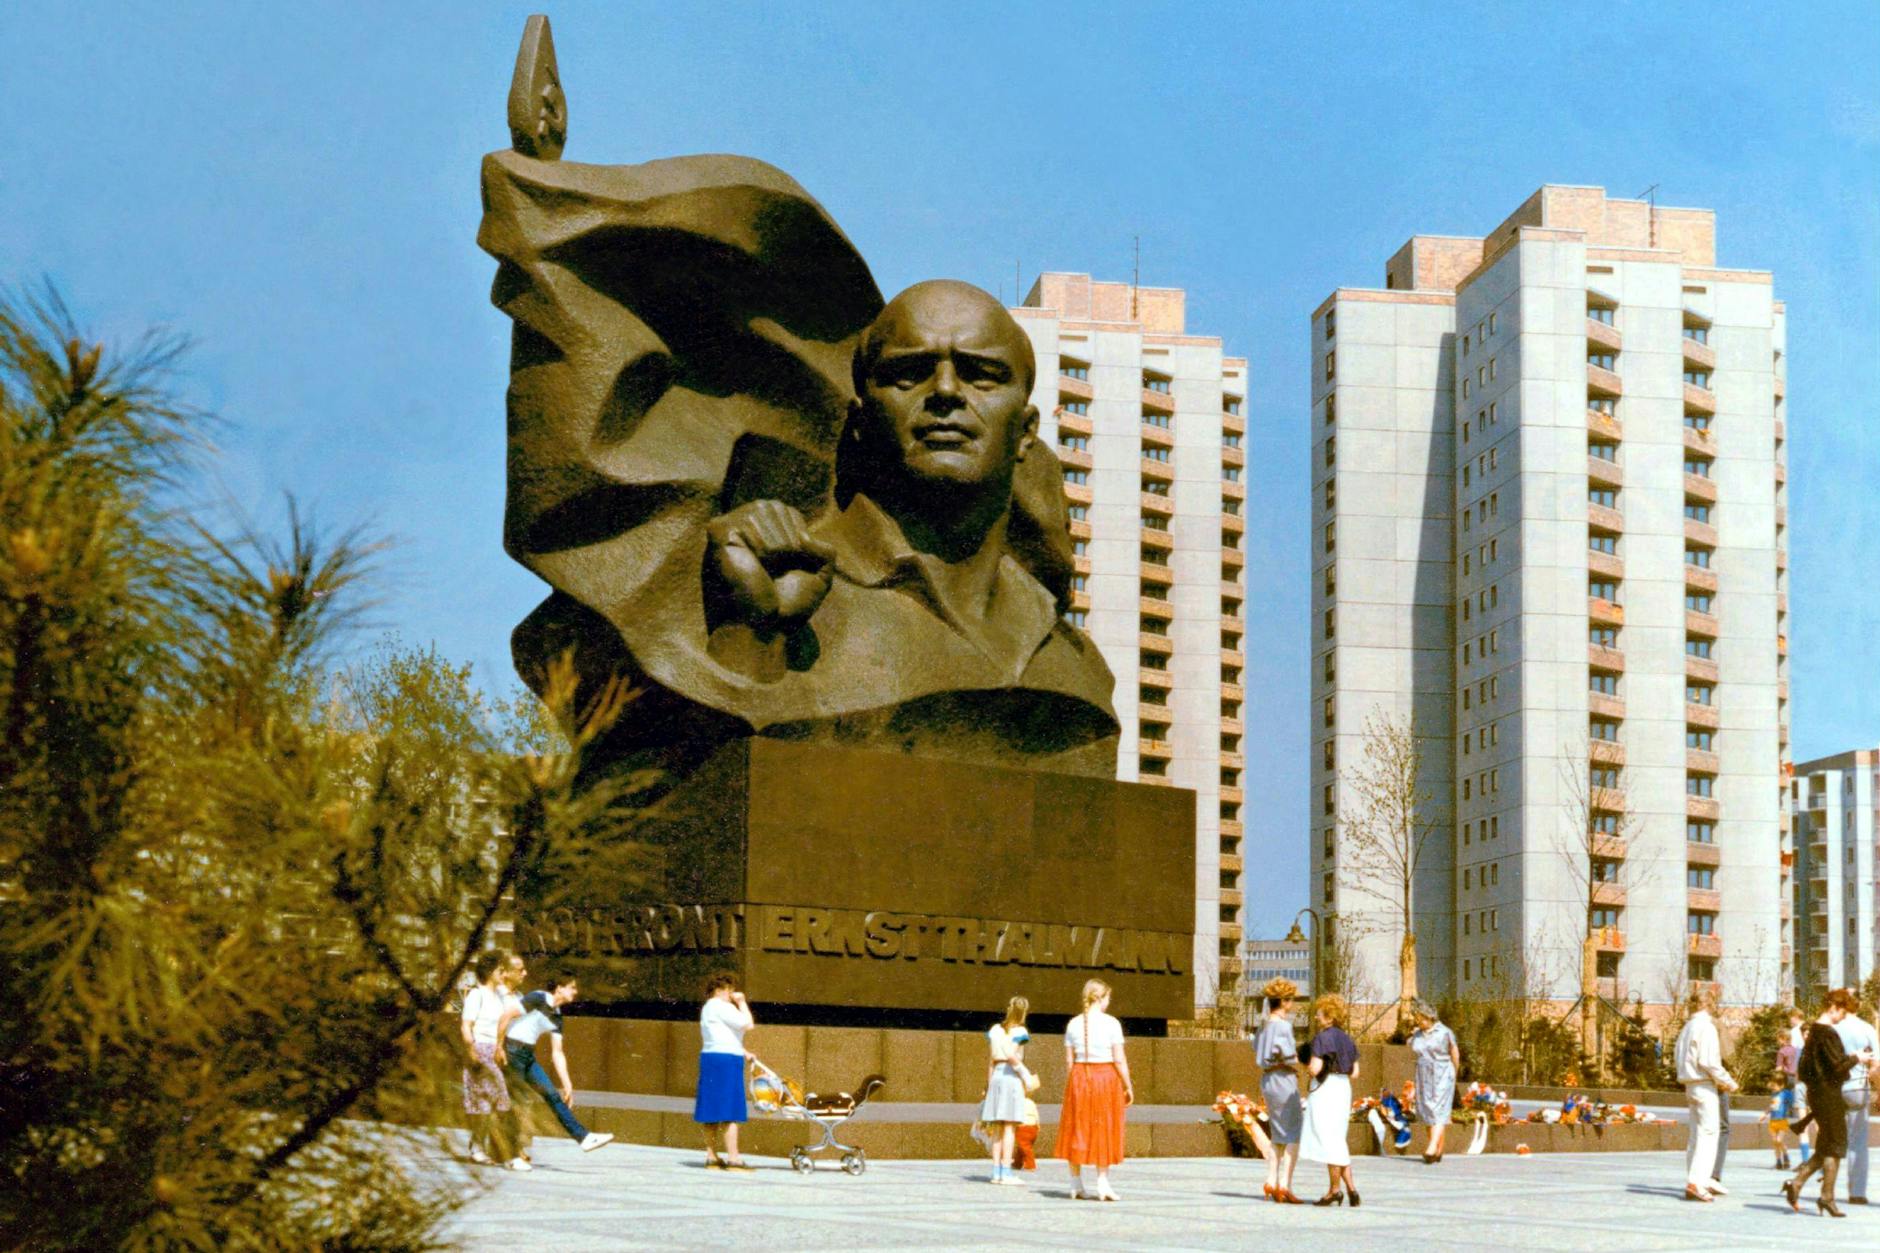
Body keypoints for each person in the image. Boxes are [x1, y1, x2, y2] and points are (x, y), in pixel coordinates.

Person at [498, 972, 615, 1155]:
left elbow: (557, 1053)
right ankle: (511, 1155)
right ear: (560, 988)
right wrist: (499, 1047)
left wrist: (567, 1083)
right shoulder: (538, 998)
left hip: (527, 1055)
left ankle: (583, 1138)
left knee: (552, 1095)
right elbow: (506, 1016)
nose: (575, 992)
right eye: (572, 987)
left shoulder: (557, 1017)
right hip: (512, 1051)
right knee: (516, 1103)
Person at [1784, 988, 1870, 1217]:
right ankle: (1826, 1197)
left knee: (1826, 1145)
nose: (1843, 1016)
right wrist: (1857, 1058)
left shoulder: (1813, 1032)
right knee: (1836, 1144)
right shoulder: (1828, 1033)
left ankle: (1798, 1183)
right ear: (1833, 1007)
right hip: (1829, 1094)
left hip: (1817, 1093)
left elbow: (1803, 1069)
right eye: (1842, 1011)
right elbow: (1837, 1067)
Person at [1057, 978, 1133, 1202]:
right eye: (1108, 997)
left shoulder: (1073, 1024)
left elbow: (1069, 1062)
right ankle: (1102, 1182)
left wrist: (1076, 1083)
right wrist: (1128, 1084)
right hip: (1106, 1077)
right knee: (1105, 1128)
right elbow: (1119, 1059)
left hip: (1079, 1077)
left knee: (1077, 1127)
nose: (1109, 1002)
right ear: (1099, 998)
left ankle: (1075, 1183)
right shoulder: (1111, 1024)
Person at [1673, 987, 1737, 1202]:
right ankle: (1697, 1182)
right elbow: (1709, 1062)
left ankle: (1694, 1178)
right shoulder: (1706, 1027)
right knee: (1709, 1134)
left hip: (1689, 1084)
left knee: (1695, 1135)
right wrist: (1729, 1082)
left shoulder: (1687, 1027)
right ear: (1709, 1005)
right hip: (1705, 1084)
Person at [1298, 993, 1362, 1207]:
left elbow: (1315, 1069)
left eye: (1319, 1013)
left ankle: (1335, 1190)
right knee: (1337, 1139)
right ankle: (1351, 1190)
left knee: (1329, 1141)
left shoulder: (1322, 1038)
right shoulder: (1348, 1039)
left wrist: (1307, 1067)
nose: (1316, 1017)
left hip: (1325, 1089)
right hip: (1343, 1088)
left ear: (1329, 1016)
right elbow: (1355, 1072)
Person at [459, 951, 520, 1169]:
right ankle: (486, 1149)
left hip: (494, 1051)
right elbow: (466, 1025)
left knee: (489, 1102)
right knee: (491, 1101)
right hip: (480, 1051)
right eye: (500, 970)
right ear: (490, 971)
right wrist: (471, 1048)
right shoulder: (477, 995)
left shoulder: (499, 995)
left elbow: (514, 1011)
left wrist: (499, 1047)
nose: (503, 974)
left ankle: (478, 1146)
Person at [695, 973, 756, 1171]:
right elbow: (748, 1024)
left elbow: (720, 1035)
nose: (732, 995)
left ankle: (711, 1156)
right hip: (727, 1061)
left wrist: (744, 1051)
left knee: (711, 1110)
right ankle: (734, 1158)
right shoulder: (722, 1006)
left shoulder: (708, 1008)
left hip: (711, 1057)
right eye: (730, 991)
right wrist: (742, 1003)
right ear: (721, 990)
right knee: (731, 1109)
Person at [1251, 977, 1304, 1203]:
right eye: (1290, 999)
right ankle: (1285, 1184)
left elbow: (1257, 1050)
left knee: (1277, 1133)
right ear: (1282, 1001)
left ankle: (1270, 1181)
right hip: (1284, 1079)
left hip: (1268, 1081)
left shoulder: (1263, 1026)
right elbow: (1290, 1056)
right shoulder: (1283, 1026)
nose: (1292, 1003)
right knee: (1294, 1132)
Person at [981, 996, 1036, 1185]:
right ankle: (1006, 1172)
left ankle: (996, 1172)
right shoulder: (1020, 1031)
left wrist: (988, 1086)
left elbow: (991, 1061)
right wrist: (1026, 1076)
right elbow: (1012, 1056)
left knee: (997, 1127)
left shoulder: (995, 1030)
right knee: (1010, 1127)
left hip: (996, 1076)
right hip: (1011, 1077)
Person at [1832, 991, 1879, 1204]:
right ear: (1857, 1006)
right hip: (1858, 1087)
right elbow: (1876, 1062)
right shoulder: (1866, 1028)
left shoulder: (1834, 1028)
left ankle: (1827, 1189)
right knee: (1858, 1141)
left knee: (1832, 1139)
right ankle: (1856, 1192)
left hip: (1834, 1087)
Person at [1408, 1000, 1460, 1164]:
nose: (1418, 1021)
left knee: (1438, 1108)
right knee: (1428, 1110)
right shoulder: (1417, 1034)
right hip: (1423, 1073)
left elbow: (1454, 1053)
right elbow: (1411, 1046)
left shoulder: (1445, 1032)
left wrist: (1454, 1073)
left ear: (1429, 1017)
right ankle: (1438, 1150)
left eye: (1420, 1018)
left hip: (1442, 1071)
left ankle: (1431, 1147)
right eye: (1416, 1017)